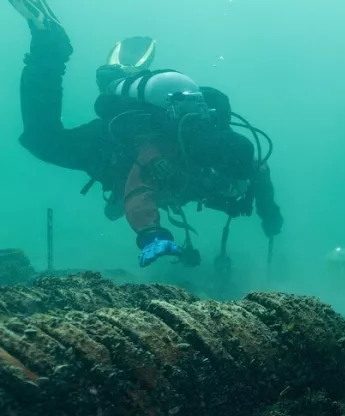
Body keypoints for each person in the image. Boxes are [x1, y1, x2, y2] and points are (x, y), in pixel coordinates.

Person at [11, 0, 283, 268]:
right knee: (43, 140)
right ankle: (51, 46)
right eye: (229, 186)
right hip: (110, 148)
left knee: (43, 138)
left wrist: (269, 214)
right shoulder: (176, 153)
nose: (229, 189)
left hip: (121, 147)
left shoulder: (222, 160)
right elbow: (140, 187)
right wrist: (152, 234)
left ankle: (51, 50)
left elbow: (259, 172)